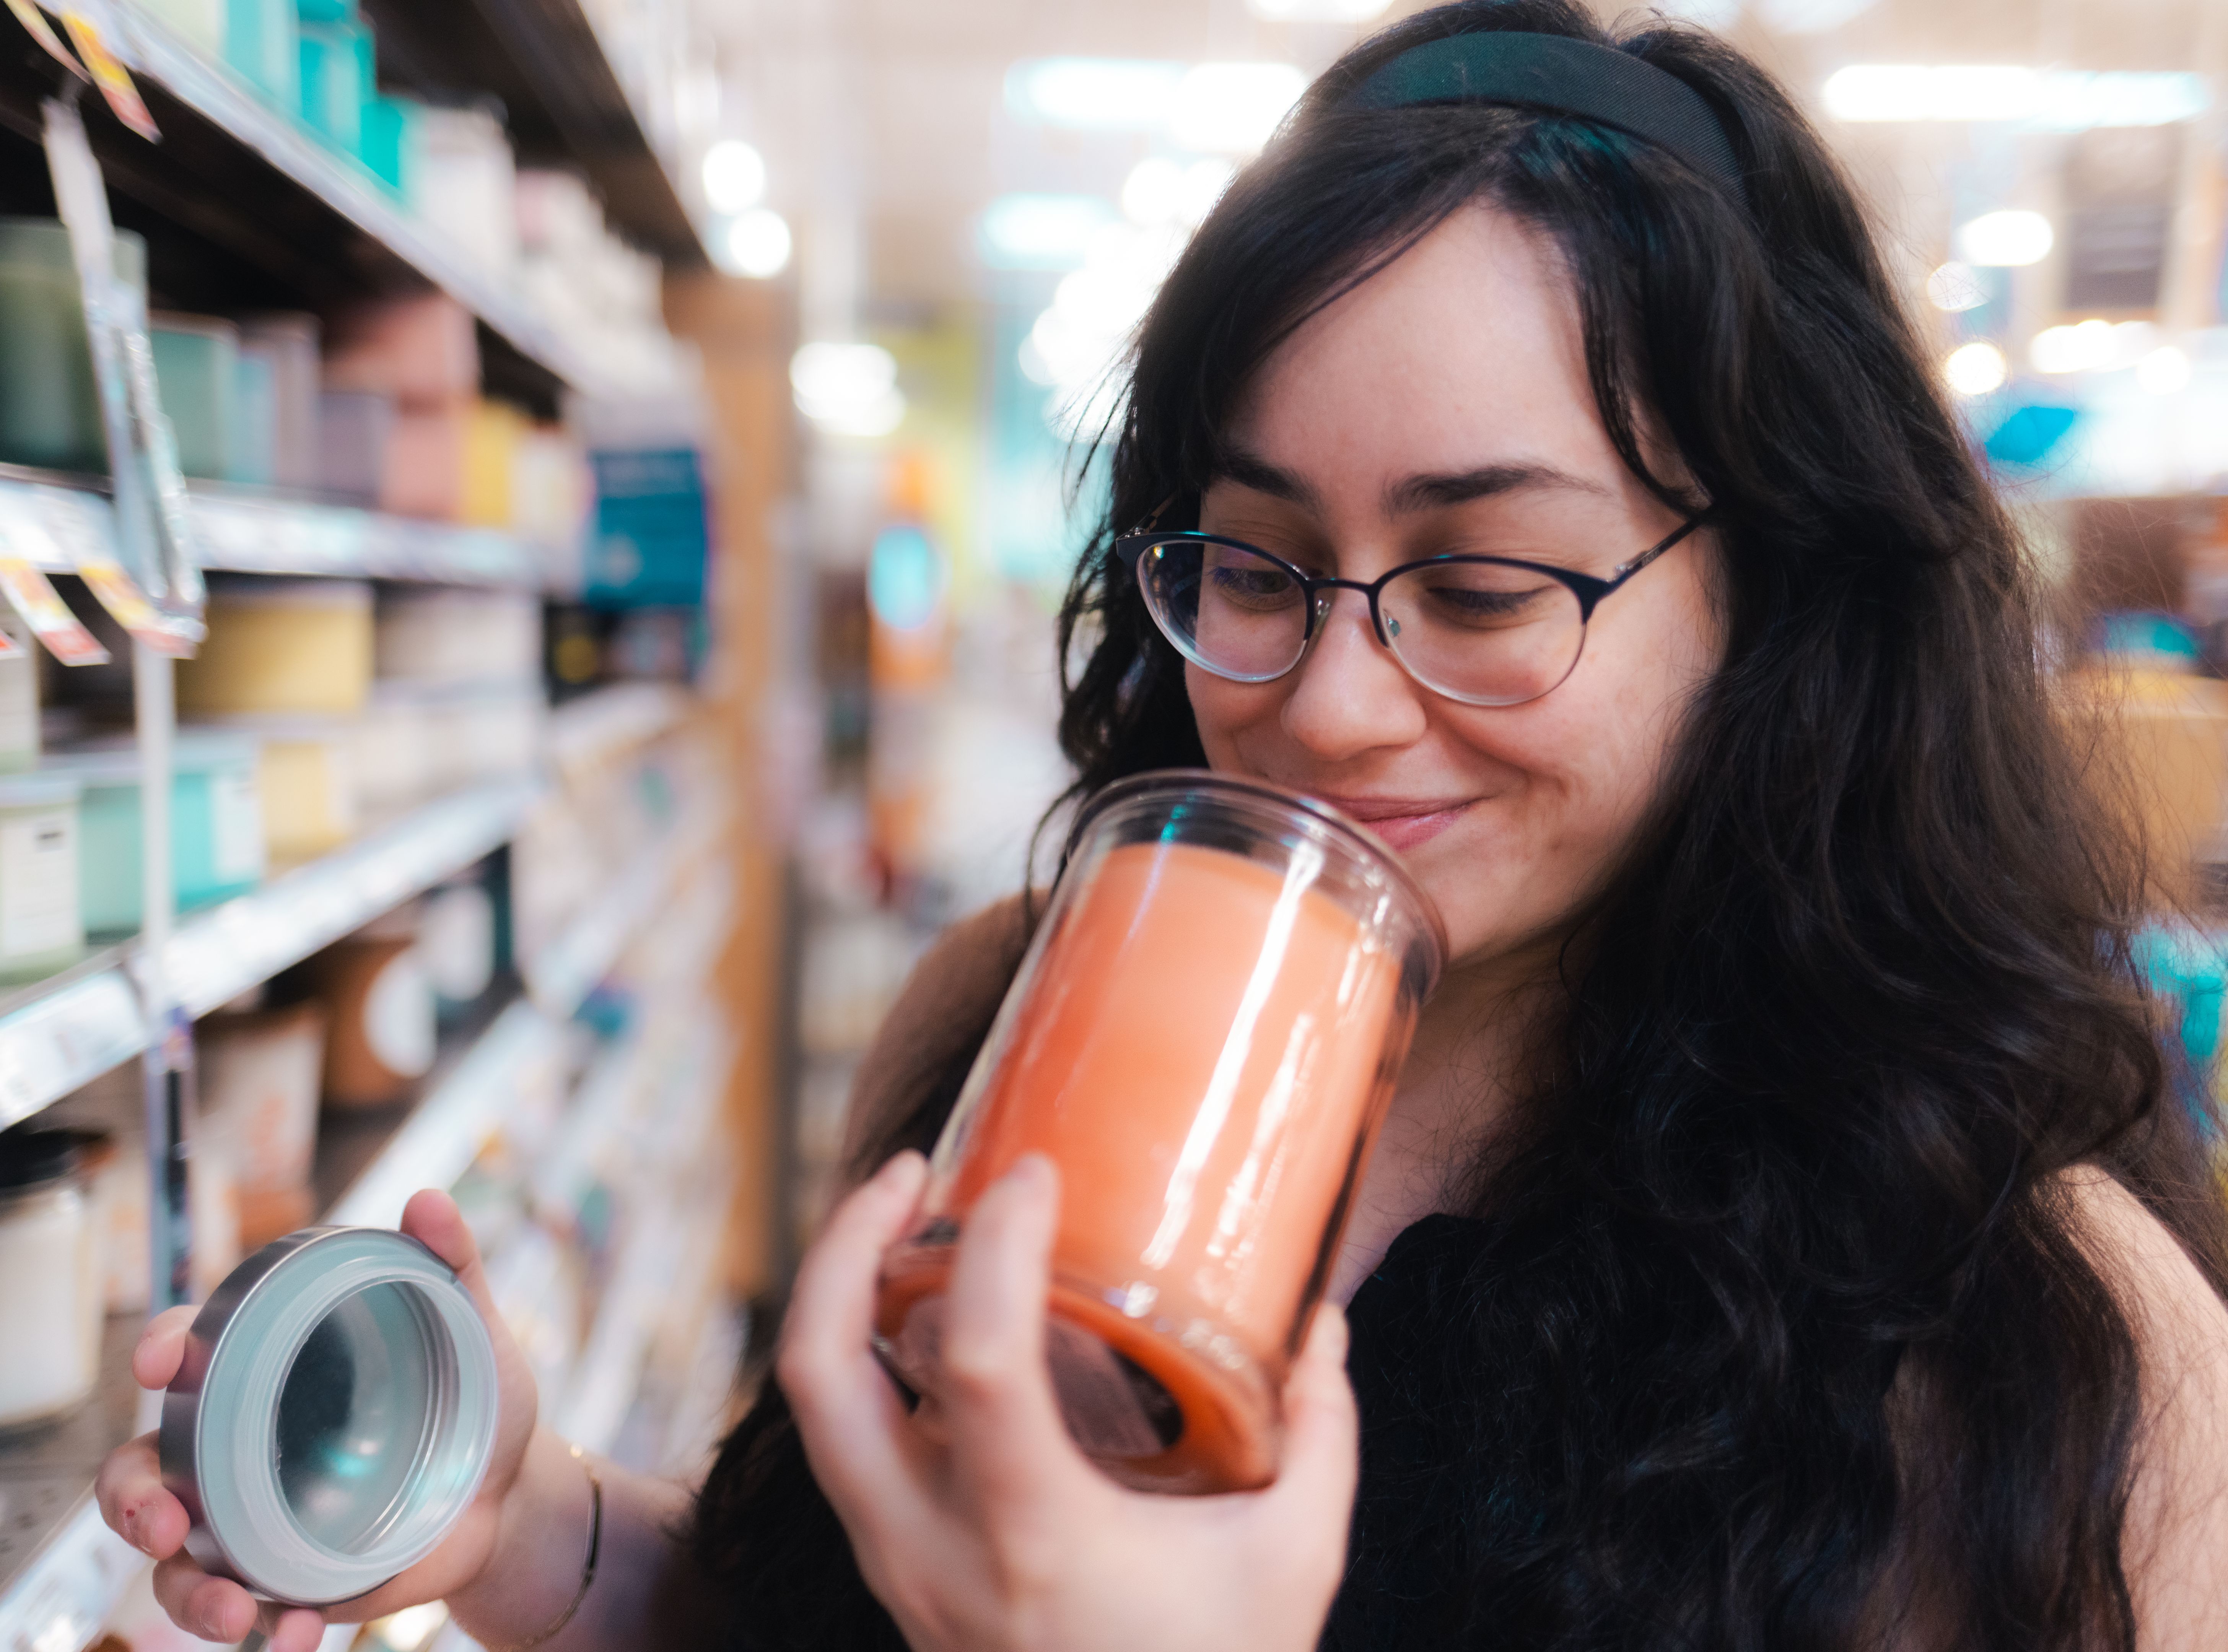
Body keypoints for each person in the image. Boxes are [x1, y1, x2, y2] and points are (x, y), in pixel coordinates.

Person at [98, 2, 2228, 1648]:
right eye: (1252, 562)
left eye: (1486, 589)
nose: (1327, 699)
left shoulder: (2053, 1349)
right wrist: (536, 1539)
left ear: (1772, 596)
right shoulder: (999, 1021)